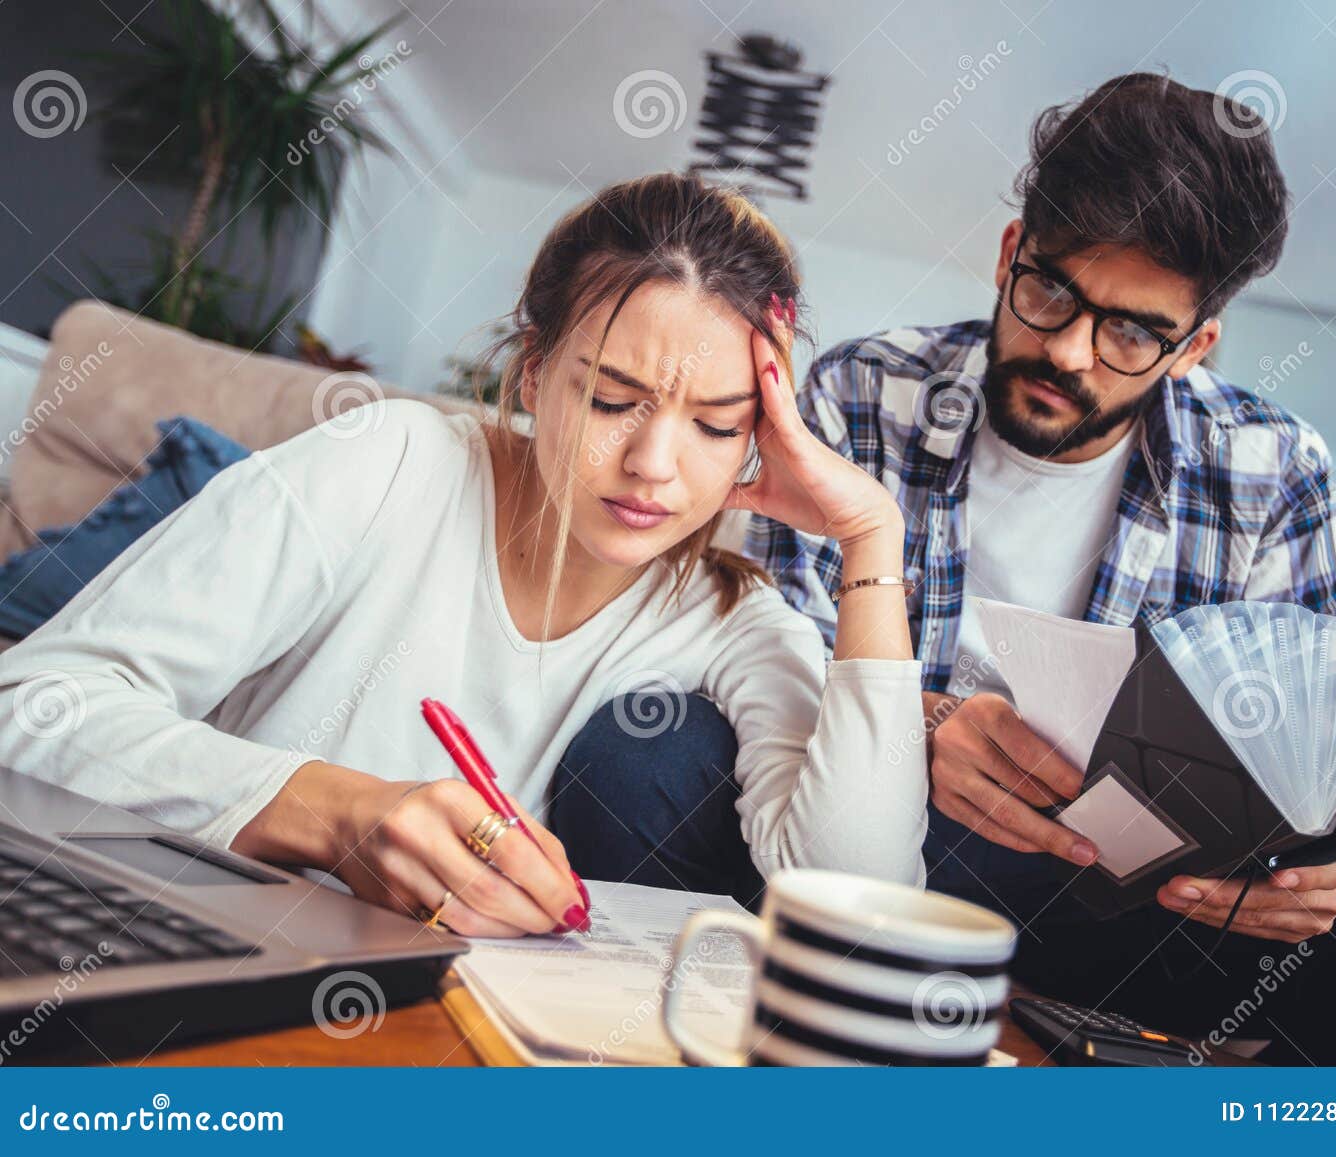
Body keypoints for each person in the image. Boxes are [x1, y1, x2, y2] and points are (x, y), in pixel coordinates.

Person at [588, 75, 1336, 1064]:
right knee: (644, 753)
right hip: (885, 854)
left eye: (1132, 332)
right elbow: (766, 657)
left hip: (1139, 907)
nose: (1066, 350)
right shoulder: (861, 388)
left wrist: (1306, 867)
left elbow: (1320, 760)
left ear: (1194, 346)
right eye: (1051, 290)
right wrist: (924, 727)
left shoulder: (1275, 471)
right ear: (1011, 251)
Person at [0, 172, 929, 940]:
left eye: (717, 425)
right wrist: (326, 807)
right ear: (532, 370)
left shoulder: (735, 623)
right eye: (611, 401)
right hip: (188, 958)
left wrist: (870, 539)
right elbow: (31, 706)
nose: (653, 465)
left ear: (757, 437)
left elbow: (860, 893)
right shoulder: (388, 461)